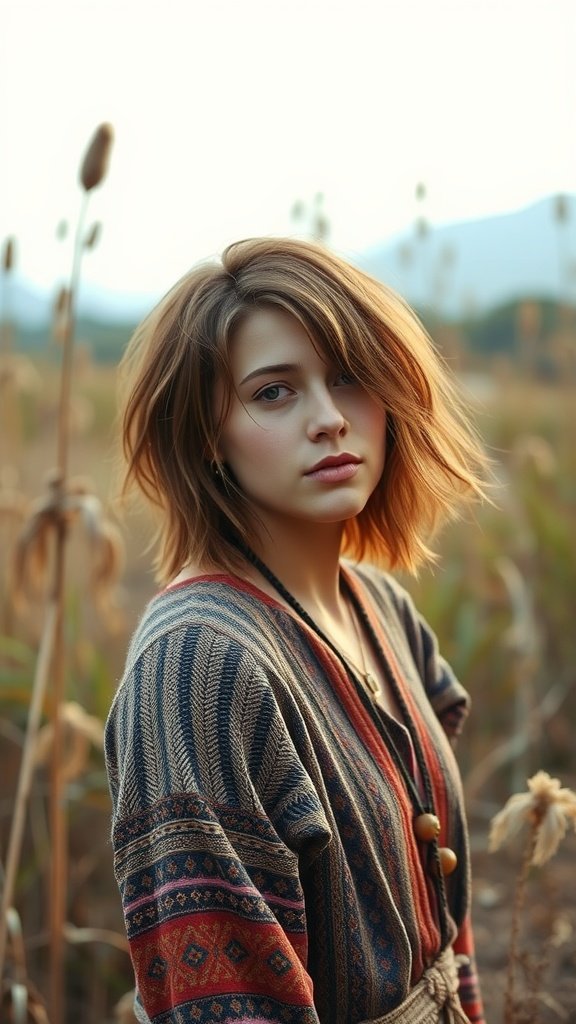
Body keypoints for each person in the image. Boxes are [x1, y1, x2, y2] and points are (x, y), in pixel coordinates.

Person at [104, 237, 487, 1024]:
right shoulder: (198, 664)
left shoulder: (380, 607)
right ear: (206, 432)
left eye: (349, 378)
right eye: (275, 392)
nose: (328, 419)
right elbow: (225, 1005)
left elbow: (445, 929)